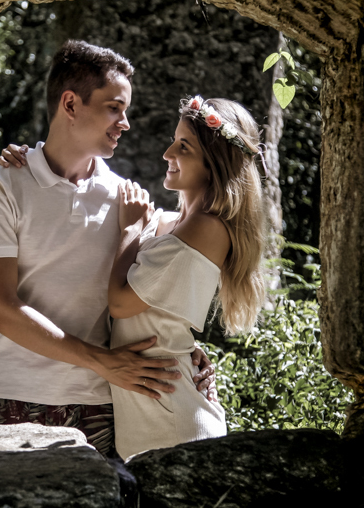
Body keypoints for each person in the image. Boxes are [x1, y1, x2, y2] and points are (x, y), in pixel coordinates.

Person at [0, 40, 214, 457]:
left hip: (103, 407)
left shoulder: (128, 200)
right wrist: (102, 360)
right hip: (7, 397)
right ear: (71, 104)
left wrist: (190, 353)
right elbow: (1, 309)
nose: (125, 122)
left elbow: (156, 285)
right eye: (114, 107)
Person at [106, 96, 266, 460]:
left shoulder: (207, 228)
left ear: (214, 164)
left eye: (184, 146)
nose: (167, 153)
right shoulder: (167, 222)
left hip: (174, 424)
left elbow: (120, 303)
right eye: (173, 140)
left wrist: (130, 228)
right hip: (152, 414)